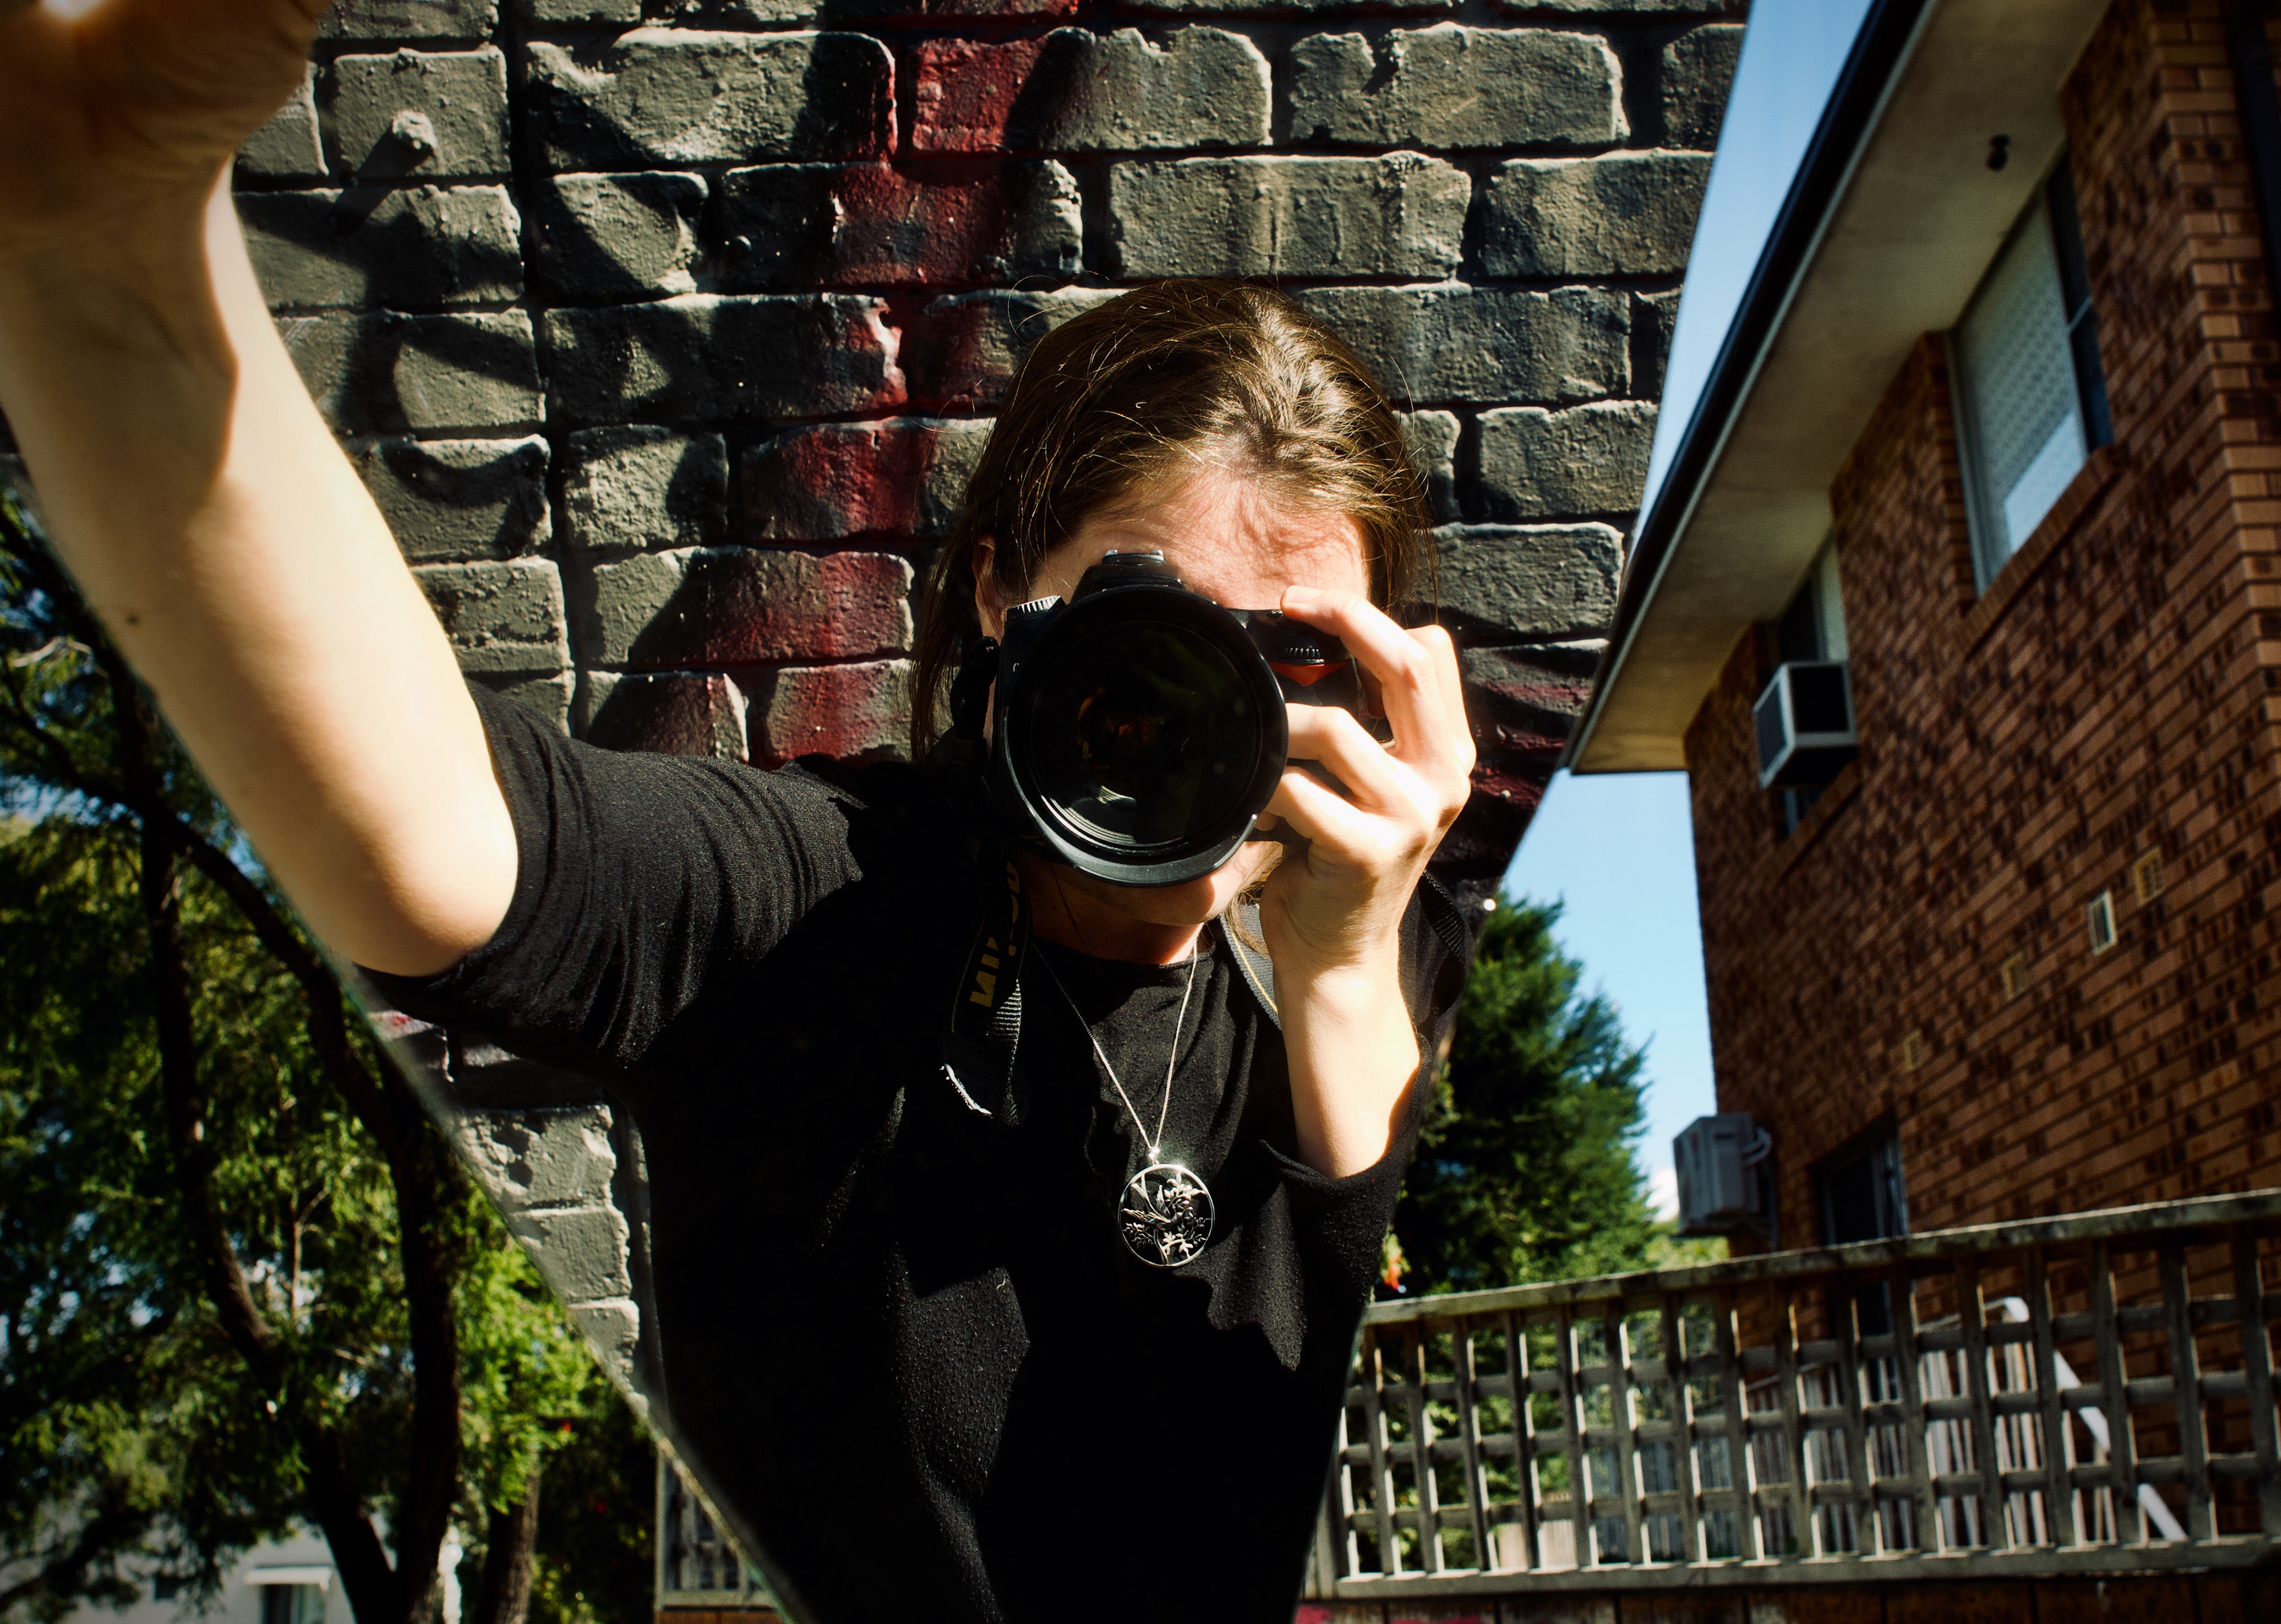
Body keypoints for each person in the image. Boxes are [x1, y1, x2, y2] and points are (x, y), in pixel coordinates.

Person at [0, 3, 1478, 1620]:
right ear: (1004, 598)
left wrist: (1346, 977)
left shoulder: (1383, 949)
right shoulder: (824, 907)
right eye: (1152, 640)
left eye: (1290, 657)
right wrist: (115, 254)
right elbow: (440, 843)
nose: (1204, 717)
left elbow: (1313, 1459)